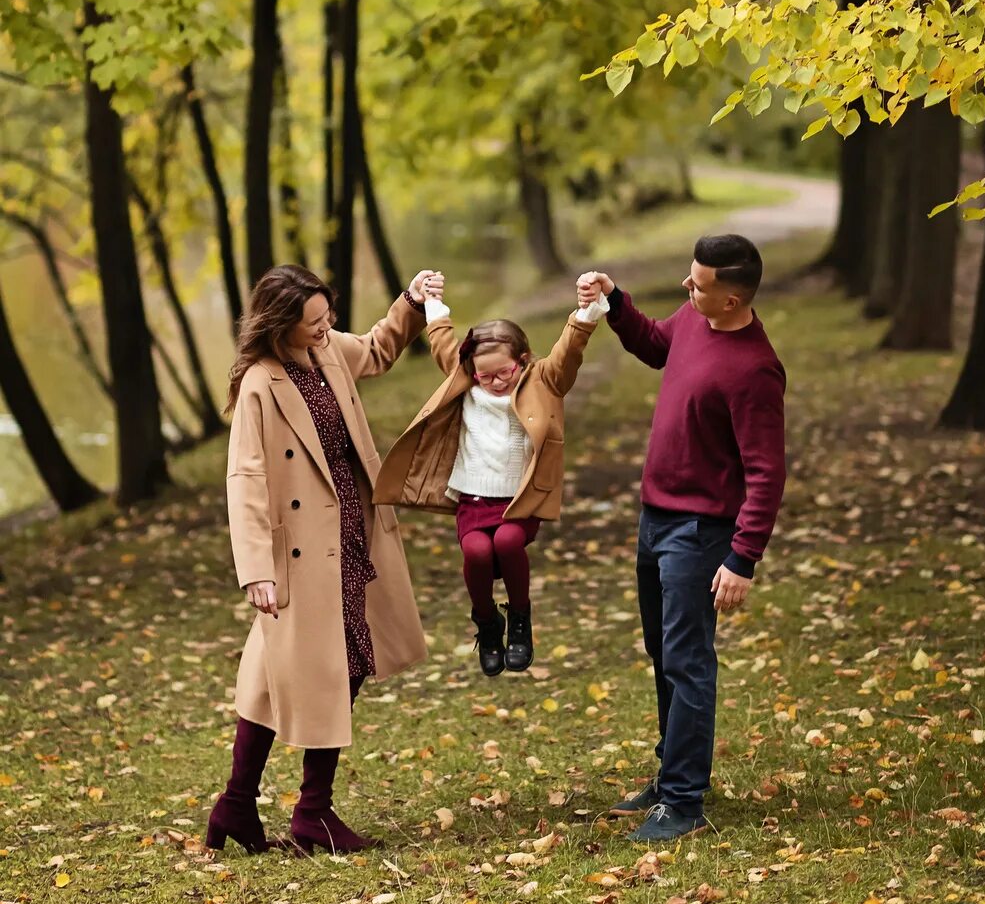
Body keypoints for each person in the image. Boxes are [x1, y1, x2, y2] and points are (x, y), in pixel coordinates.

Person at [205, 263, 443, 855]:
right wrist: (256, 567)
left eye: (327, 316)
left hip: (349, 529)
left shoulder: (329, 350)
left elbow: (378, 349)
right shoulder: (260, 382)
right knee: (327, 663)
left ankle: (237, 805)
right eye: (314, 320)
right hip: (298, 548)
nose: (326, 326)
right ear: (282, 322)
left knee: (291, 669)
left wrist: (410, 302)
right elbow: (246, 477)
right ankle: (312, 815)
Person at [577, 234, 786, 844]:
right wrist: (615, 300)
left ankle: (684, 801)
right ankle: (673, 770)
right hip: (656, 519)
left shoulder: (755, 369)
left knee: (688, 662)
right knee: (663, 654)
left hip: (700, 534)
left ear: (732, 298)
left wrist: (743, 557)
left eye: (697, 284)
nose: (686, 289)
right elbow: (653, 345)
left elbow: (767, 472)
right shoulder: (696, 321)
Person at [374, 279, 607, 677]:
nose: (496, 382)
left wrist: (587, 311)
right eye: (487, 377)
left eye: (505, 372)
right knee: (478, 553)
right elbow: (443, 342)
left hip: (519, 500)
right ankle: (487, 622)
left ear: (524, 358)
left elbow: (569, 353)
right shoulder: (464, 381)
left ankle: (520, 620)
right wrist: (431, 302)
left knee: (509, 541)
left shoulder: (543, 380)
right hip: (475, 501)